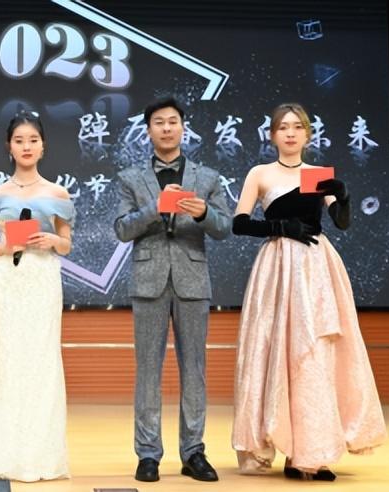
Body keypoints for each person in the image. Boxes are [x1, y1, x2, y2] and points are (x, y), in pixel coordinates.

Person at [230, 103, 387, 480]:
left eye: (297, 127)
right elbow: (239, 224)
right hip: (278, 267)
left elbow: (341, 223)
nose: (290, 133)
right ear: (272, 135)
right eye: (283, 127)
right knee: (281, 353)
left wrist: (343, 196)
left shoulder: (317, 175)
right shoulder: (260, 173)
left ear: (307, 134)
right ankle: (291, 448)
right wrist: (280, 228)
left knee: (316, 353)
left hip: (316, 267)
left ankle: (314, 453)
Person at [114, 97, 231, 483]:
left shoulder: (207, 177)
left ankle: (193, 451)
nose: (166, 128)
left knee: (194, 368)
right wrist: (155, 208)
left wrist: (203, 212)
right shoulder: (130, 178)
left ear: (183, 127)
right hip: (148, 280)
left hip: (192, 279)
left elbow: (224, 227)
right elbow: (121, 229)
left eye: (173, 121)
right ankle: (148, 453)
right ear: (148, 130)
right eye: (159, 122)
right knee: (147, 370)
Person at [0, 112, 74, 482]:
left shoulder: (58, 193)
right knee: (8, 360)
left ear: (43, 146)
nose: (27, 147)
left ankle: (42, 456)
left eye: (33, 140)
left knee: (43, 360)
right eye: (19, 140)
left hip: (43, 278)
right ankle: (6, 453)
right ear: (9, 147)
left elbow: (67, 244)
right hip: (8, 279)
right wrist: (5, 245)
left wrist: (52, 239)